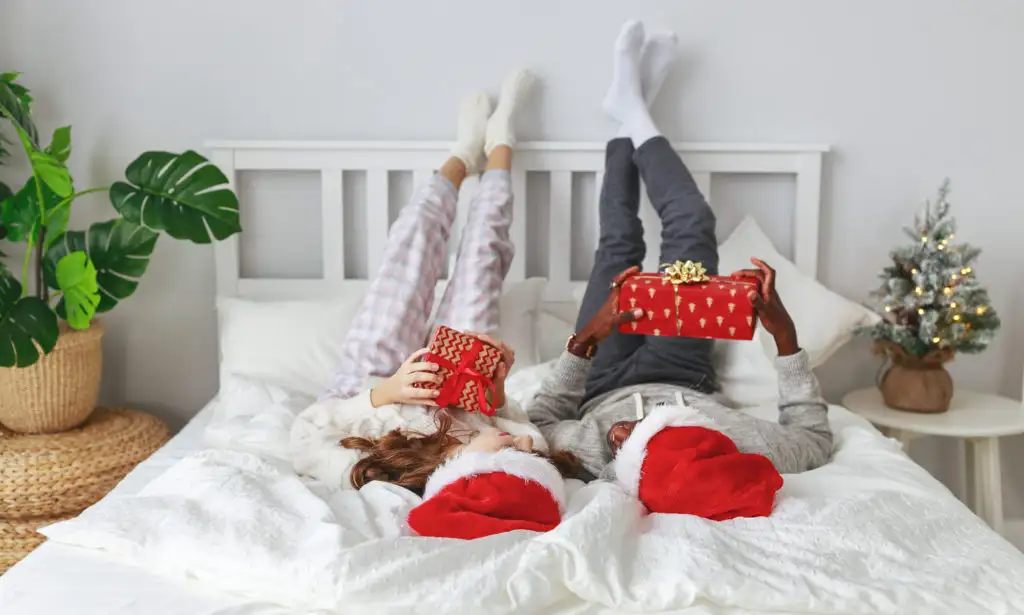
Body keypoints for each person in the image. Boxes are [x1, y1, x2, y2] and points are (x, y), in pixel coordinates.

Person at [526, 20, 834, 491]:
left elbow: (541, 419)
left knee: (618, 247)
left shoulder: (589, 452)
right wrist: (785, 336)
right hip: (682, 369)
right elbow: (813, 439)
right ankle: (633, 110)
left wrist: (586, 337)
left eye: (624, 449)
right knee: (692, 225)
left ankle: (629, 109)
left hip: (599, 373)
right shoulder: (738, 444)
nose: (623, 438)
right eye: (640, 443)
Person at [288, 70, 560, 493]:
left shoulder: (379, 471)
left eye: (514, 450)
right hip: (465, 390)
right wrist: (498, 391)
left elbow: (304, 438)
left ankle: (462, 156)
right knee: (483, 256)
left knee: (411, 244)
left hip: (367, 379)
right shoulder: (518, 447)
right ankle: (500, 144)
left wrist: (385, 393)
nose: (523, 444)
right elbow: (526, 429)